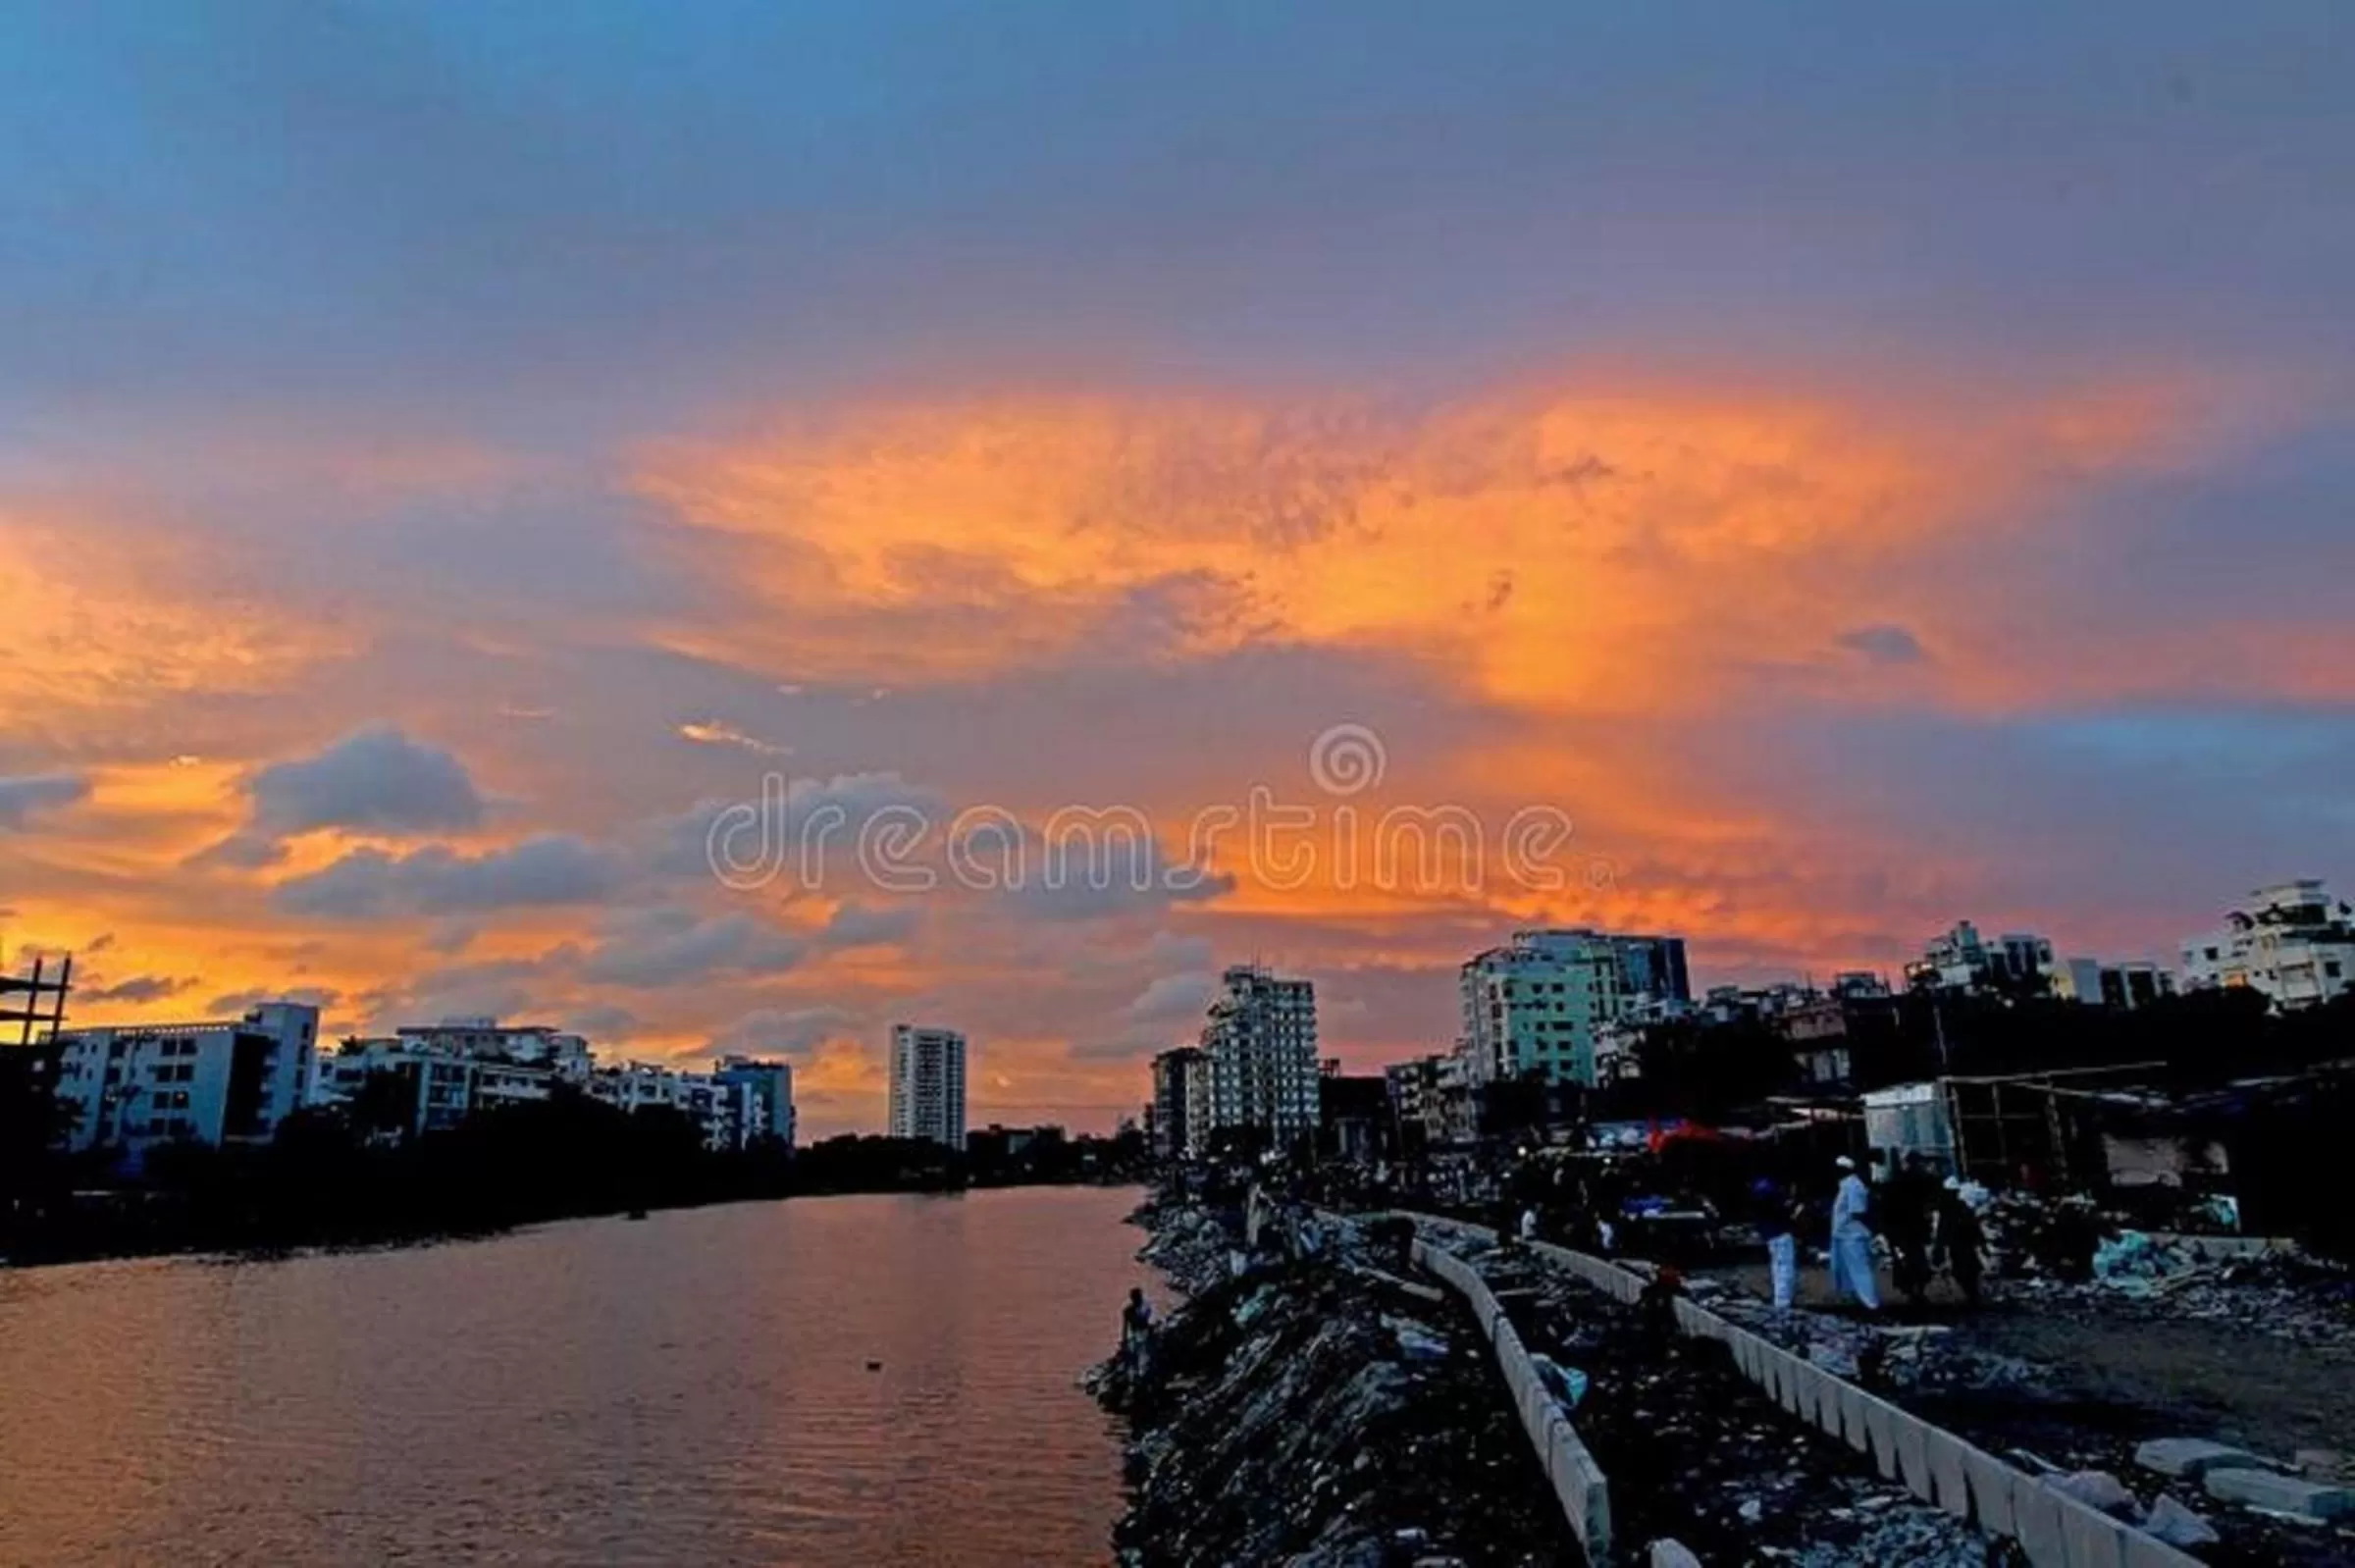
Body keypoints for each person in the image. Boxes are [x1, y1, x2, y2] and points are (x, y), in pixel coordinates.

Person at [1828, 1156, 1881, 1312]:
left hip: (1853, 1235)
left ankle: (1871, 1303)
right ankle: (1854, 1301)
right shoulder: (1844, 1185)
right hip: (1841, 1234)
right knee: (1843, 1271)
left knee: (1859, 1270)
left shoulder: (1853, 1185)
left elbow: (1858, 1211)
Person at [1936, 1178, 1987, 1306]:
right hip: (1960, 1244)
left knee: (1967, 1270)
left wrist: (1940, 1246)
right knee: (1966, 1270)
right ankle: (1972, 1295)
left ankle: (1972, 1295)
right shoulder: (1957, 1208)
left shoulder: (1953, 1209)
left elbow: (1944, 1230)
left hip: (1961, 1243)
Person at [1752, 1175, 1799, 1310]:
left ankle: (1780, 1300)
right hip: (1781, 1235)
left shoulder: (1759, 1202)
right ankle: (1783, 1303)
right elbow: (1785, 1213)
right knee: (1785, 1269)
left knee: (1777, 1268)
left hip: (1770, 1236)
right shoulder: (1774, 1202)